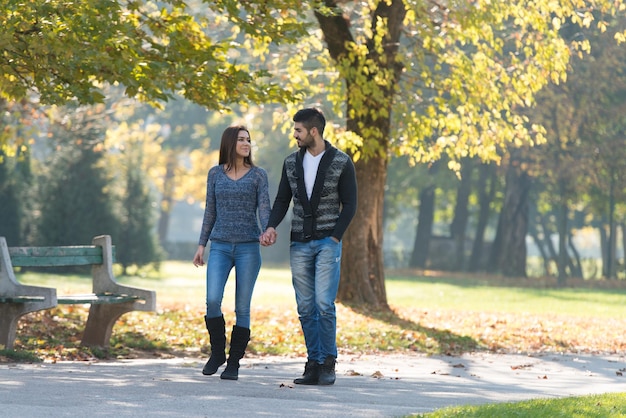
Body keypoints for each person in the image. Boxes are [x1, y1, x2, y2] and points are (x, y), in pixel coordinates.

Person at [260, 108, 357, 386]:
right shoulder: (291, 162)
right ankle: (313, 363)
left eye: (298, 130)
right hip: (299, 243)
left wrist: (335, 237)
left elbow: (350, 204)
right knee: (305, 307)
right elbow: (282, 200)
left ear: (313, 131)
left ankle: (328, 363)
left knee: (324, 304)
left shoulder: (341, 161)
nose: (295, 135)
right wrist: (270, 226)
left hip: (328, 242)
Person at [193, 125, 271, 381]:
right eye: (241, 139)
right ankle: (217, 354)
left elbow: (264, 208)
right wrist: (202, 244)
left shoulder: (258, 175)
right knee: (212, 300)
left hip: (248, 246)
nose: (246, 143)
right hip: (221, 246)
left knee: (242, 307)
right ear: (230, 143)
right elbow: (210, 211)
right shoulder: (215, 174)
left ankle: (234, 363)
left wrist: (267, 229)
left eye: (248, 139)